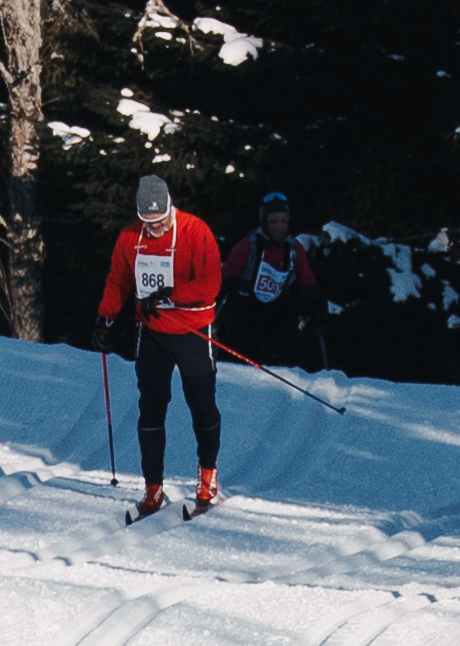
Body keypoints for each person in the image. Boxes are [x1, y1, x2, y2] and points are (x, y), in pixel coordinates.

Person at [98, 165, 224, 520]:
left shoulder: (196, 231)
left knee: (201, 404)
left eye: (160, 220)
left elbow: (210, 284)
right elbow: (118, 279)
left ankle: (207, 478)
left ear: (170, 208)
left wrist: (171, 293)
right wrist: (104, 319)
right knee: (151, 407)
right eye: (147, 222)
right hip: (152, 332)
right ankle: (153, 487)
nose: (155, 228)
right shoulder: (130, 238)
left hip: (194, 330)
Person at [221, 185, 326, 370]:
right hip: (250, 309)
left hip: (280, 311)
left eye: (284, 221)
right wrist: (235, 282)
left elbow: (307, 279)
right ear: (264, 222)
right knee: (237, 352)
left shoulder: (294, 249)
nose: (279, 226)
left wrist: (316, 304)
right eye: (274, 221)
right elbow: (227, 273)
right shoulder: (249, 245)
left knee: (294, 356)